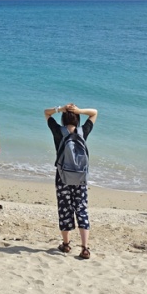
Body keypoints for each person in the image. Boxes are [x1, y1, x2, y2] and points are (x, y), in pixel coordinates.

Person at [45, 102, 98, 260]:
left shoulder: (58, 132)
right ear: (77, 119)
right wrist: (80, 110)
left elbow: (46, 113)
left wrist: (59, 109)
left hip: (62, 178)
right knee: (81, 210)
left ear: (63, 118)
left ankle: (66, 244)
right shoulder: (83, 132)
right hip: (80, 178)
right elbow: (94, 112)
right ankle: (85, 248)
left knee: (64, 210)